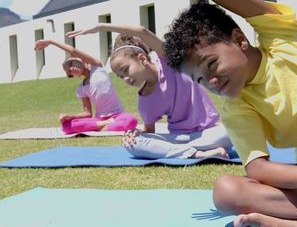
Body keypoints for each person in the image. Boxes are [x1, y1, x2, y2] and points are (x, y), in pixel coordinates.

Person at [81, 0, 297, 227]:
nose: (212, 82)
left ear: (239, 40)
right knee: (227, 191)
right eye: (201, 80)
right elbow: (258, 168)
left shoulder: (284, 36)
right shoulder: (238, 105)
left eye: (211, 65)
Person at [67, 24, 232, 159]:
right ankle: (197, 154)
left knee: (231, 130)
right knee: (134, 143)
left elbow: (142, 32)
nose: (126, 79)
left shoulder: (168, 61)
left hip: (210, 133)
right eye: (120, 76)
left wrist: (101, 27)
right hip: (179, 139)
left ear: (142, 59)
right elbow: (149, 131)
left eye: (126, 70)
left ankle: (192, 151)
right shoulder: (145, 100)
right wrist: (135, 133)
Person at [34, 39, 137, 134]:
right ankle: (106, 125)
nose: (72, 68)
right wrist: (70, 116)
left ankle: (100, 128)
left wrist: (51, 42)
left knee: (131, 121)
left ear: (81, 60)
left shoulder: (97, 67)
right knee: (65, 126)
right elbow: (87, 114)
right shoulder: (81, 89)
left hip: (118, 115)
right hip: (100, 120)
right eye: (69, 71)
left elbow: (73, 50)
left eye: (71, 63)